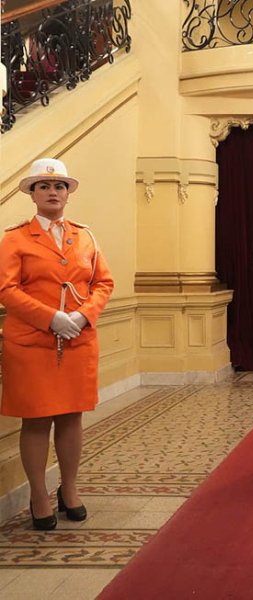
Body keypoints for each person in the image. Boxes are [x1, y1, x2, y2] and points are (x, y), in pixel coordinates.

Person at [0, 158, 114, 530]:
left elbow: (103, 283)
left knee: (71, 417)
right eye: (44, 187)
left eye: (59, 186)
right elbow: (6, 289)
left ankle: (70, 489)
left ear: (67, 194)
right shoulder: (14, 238)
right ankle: (38, 494)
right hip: (32, 343)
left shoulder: (85, 236)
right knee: (36, 420)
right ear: (32, 194)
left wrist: (82, 316)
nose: (53, 192)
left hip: (78, 341)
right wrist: (50, 318)